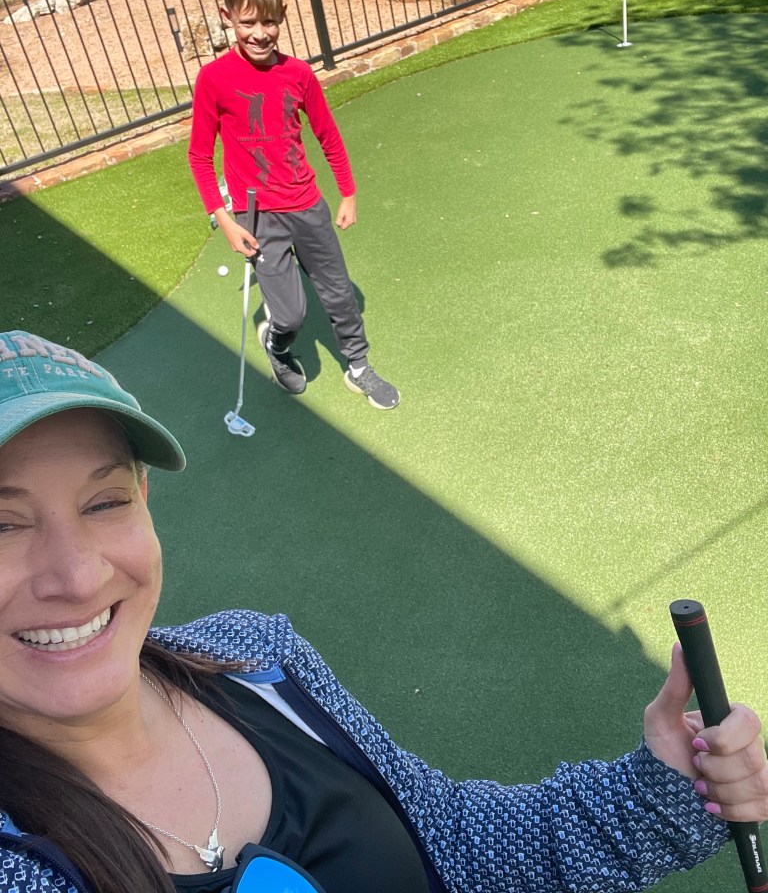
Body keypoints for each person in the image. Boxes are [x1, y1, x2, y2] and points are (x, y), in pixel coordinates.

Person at [1, 328, 768, 893]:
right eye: (3, 523)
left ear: (145, 501)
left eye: (105, 502)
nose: (78, 573)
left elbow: (453, 844)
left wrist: (659, 791)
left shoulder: (256, 656)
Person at [188, 0, 399, 411]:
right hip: (257, 216)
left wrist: (348, 192)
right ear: (227, 17)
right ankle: (277, 346)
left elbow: (328, 135)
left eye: (269, 22)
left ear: (282, 16)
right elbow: (199, 156)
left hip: (307, 204)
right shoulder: (213, 79)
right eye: (248, 23)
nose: (260, 34)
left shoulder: (299, 74)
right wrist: (225, 220)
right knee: (290, 314)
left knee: (339, 293)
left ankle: (359, 366)